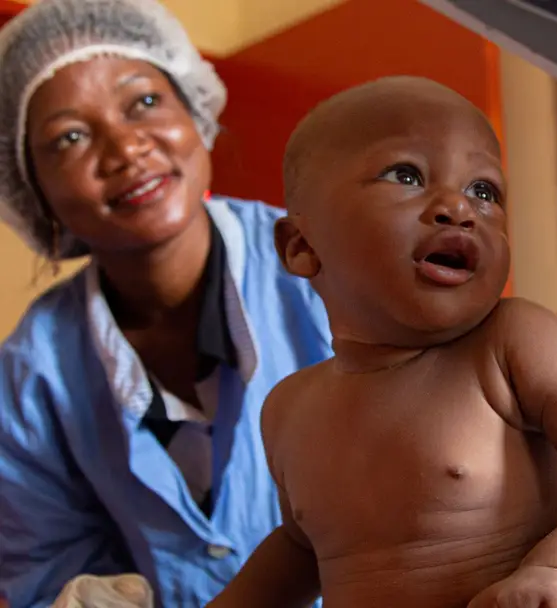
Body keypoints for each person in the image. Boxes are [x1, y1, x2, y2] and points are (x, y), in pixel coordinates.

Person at [209, 76, 557, 608]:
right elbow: (301, 550)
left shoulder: (509, 342)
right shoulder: (288, 407)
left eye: (483, 190)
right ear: (301, 246)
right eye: (406, 175)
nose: (457, 208)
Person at [0, 1, 332, 606]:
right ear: (32, 190)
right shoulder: (31, 375)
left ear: (194, 110)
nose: (126, 149)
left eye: (145, 102)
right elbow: (46, 566)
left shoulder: (326, 264)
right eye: (69, 137)